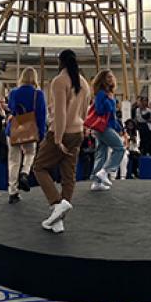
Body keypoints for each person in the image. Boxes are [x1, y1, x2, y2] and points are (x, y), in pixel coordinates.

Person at [33, 49, 90, 233]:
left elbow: (60, 113)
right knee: (68, 176)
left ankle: (56, 203)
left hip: (61, 133)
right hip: (78, 132)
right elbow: (84, 112)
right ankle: (58, 219)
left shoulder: (59, 81)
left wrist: (57, 138)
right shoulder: (84, 83)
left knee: (39, 167)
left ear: (60, 62)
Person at [6, 67, 46, 204]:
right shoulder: (38, 94)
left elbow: (11, 109)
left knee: (13, 161)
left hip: (14, 130)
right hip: (30, 129)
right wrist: (42, 134)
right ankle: (25, 173)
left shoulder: (13, 92)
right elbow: (41, 116)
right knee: (30, 154)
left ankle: (12, 192)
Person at [89, 69, 125, 192]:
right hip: (103, 128)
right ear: (102, 80)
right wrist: (110, 101)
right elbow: (100, 110)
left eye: (111, 77)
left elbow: (112, 116)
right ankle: (105, 171)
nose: (110, 79)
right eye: (108, 77)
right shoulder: (101, 94)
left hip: (104, 127)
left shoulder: (108, 93)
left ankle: (96, 182)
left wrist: (119, 128)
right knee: (120, 148)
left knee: (101, 153)